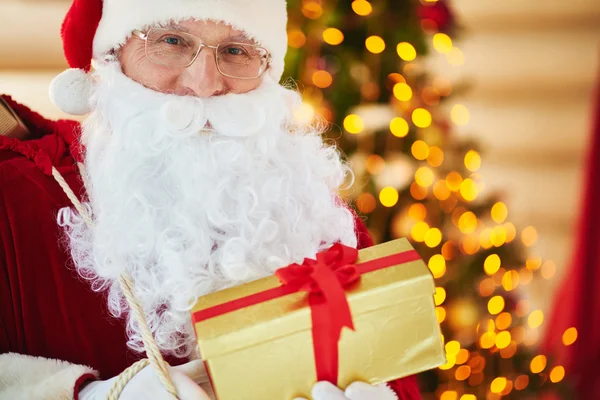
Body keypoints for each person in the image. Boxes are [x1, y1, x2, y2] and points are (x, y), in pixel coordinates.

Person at [0, 0, 422, 399]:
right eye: (171, 41)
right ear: (113, 55)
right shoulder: (16, 198)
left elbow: (396, 368)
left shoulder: (311, 211)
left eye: (236, 50)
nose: (203, 84)